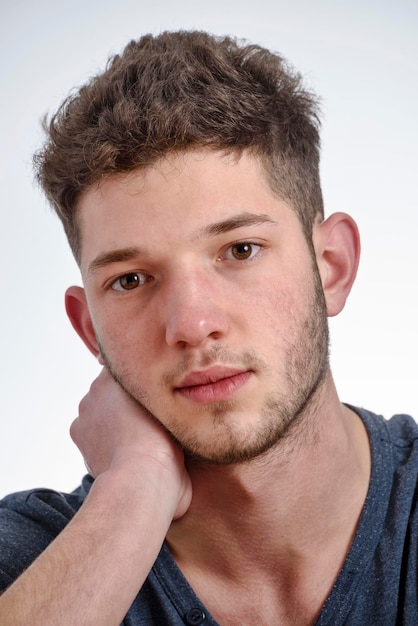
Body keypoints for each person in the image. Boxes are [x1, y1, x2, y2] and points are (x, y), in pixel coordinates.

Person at [0, 30, 416, 626]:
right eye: (132, 280)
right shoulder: (30, 565)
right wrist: (135, 488)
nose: (193, 327)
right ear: (89, 330)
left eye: (240, 250)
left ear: (332, 268)